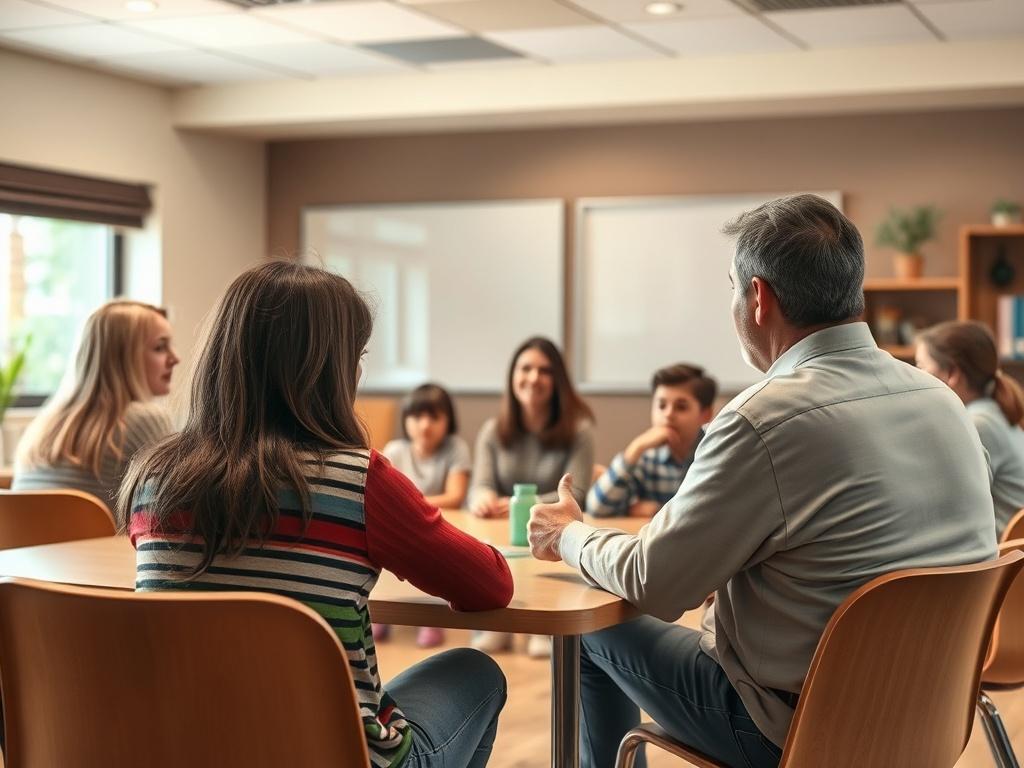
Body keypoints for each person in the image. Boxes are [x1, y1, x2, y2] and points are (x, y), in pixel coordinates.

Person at [527, 194, 997, 768]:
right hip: (932, 720)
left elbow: (655, 582)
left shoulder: (762, 419)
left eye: (732, 288)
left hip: (797, 732)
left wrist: (570, 535)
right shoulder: (945, 402)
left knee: (586, 629)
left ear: (758, 297)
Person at [120, 261, 513, 768]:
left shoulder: (154, 480)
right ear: (328, 369)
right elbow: (490, 586)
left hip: (187, 752)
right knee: (478, 671)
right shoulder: (361, 480)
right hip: (335, 756)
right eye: (356, 356)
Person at [469, 336, 594, 657]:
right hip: (502, 536)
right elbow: (479, 486)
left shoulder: (579, 430)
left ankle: (544, 623)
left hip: (554, 538)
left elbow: (577, 494)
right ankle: (497, 623)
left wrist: (528, 504)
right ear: (513, 376)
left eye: (545, 370)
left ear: (557, 380)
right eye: (525, 368)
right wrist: (483, 497)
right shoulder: (492, 430)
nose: (534, 377)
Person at [14, 300, 177, 518]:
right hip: (101, 542)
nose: (175, 358)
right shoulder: (146, 419)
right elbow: (172, 513)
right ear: (123, 357)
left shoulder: (44, 425)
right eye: (160, 347)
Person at [377, 382, 472, 648]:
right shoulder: (395, 450)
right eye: (417, 416)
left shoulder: (455, 448)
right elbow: (383, 497)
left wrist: (409, 505)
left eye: (434, 417)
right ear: (405, 419)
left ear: (448, 420)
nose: (425, 425)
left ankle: (433, 617)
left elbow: (455, 496)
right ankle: (383, 610)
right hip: (401, 529)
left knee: (437, 560)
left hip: (439, 528)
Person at [916, 320, 1024, 536]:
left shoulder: (976, 425)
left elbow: (949, 505)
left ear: (952, 373)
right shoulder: (993, 412)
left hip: (1000, 550)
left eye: (921, 367)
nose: (915, 377)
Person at [587, 363, 716, 518]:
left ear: (705, 414)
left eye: (681, 407)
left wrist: (657, 511)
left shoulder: (715, 455)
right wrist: (635, 449)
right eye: (661, 405)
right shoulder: (645, 457)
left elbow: (716, 514)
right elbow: (597, 509)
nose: (668, 414)